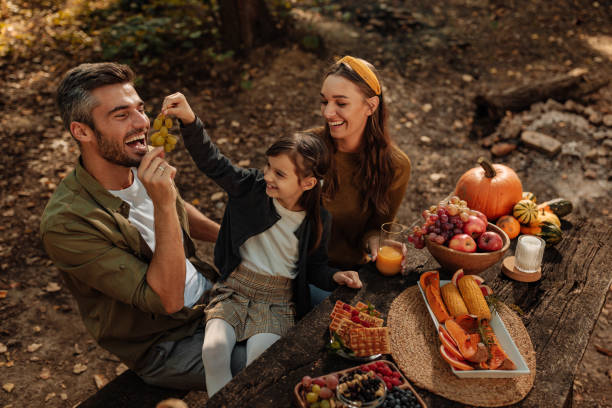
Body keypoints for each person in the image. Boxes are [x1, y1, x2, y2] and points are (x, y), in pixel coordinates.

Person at [40, 62, 245, 391]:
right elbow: (168, 300)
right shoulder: (67, 224)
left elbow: (179, 209)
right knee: (274, 356)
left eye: (140, 108)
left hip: (212, 295)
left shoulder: (132, 161)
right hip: (167, 342)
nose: (142, 123)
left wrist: (230, 237)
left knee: (311, 296)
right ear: (82, 131)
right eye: (121, 115)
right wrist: (162, 201)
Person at [160, 92, 363, 396]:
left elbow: (316, 266)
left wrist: (334, 276)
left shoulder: (317, 218)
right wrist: (190, 121)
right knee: (214, 352)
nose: (267, 176)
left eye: (279, 174)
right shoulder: (251, 188)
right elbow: (213, 163)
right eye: (268, 167)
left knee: (258, 364)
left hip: (278, 300)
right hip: (235, 289)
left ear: (307, 183)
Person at [307, 55, 411, 303]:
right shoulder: (305, 150)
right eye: (324, 101)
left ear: (371, 106)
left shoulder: (395, 166)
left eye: (341, 103)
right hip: (299, 274)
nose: (328, 112)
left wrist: (377, 242)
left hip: (350, 277)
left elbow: (376, 227)